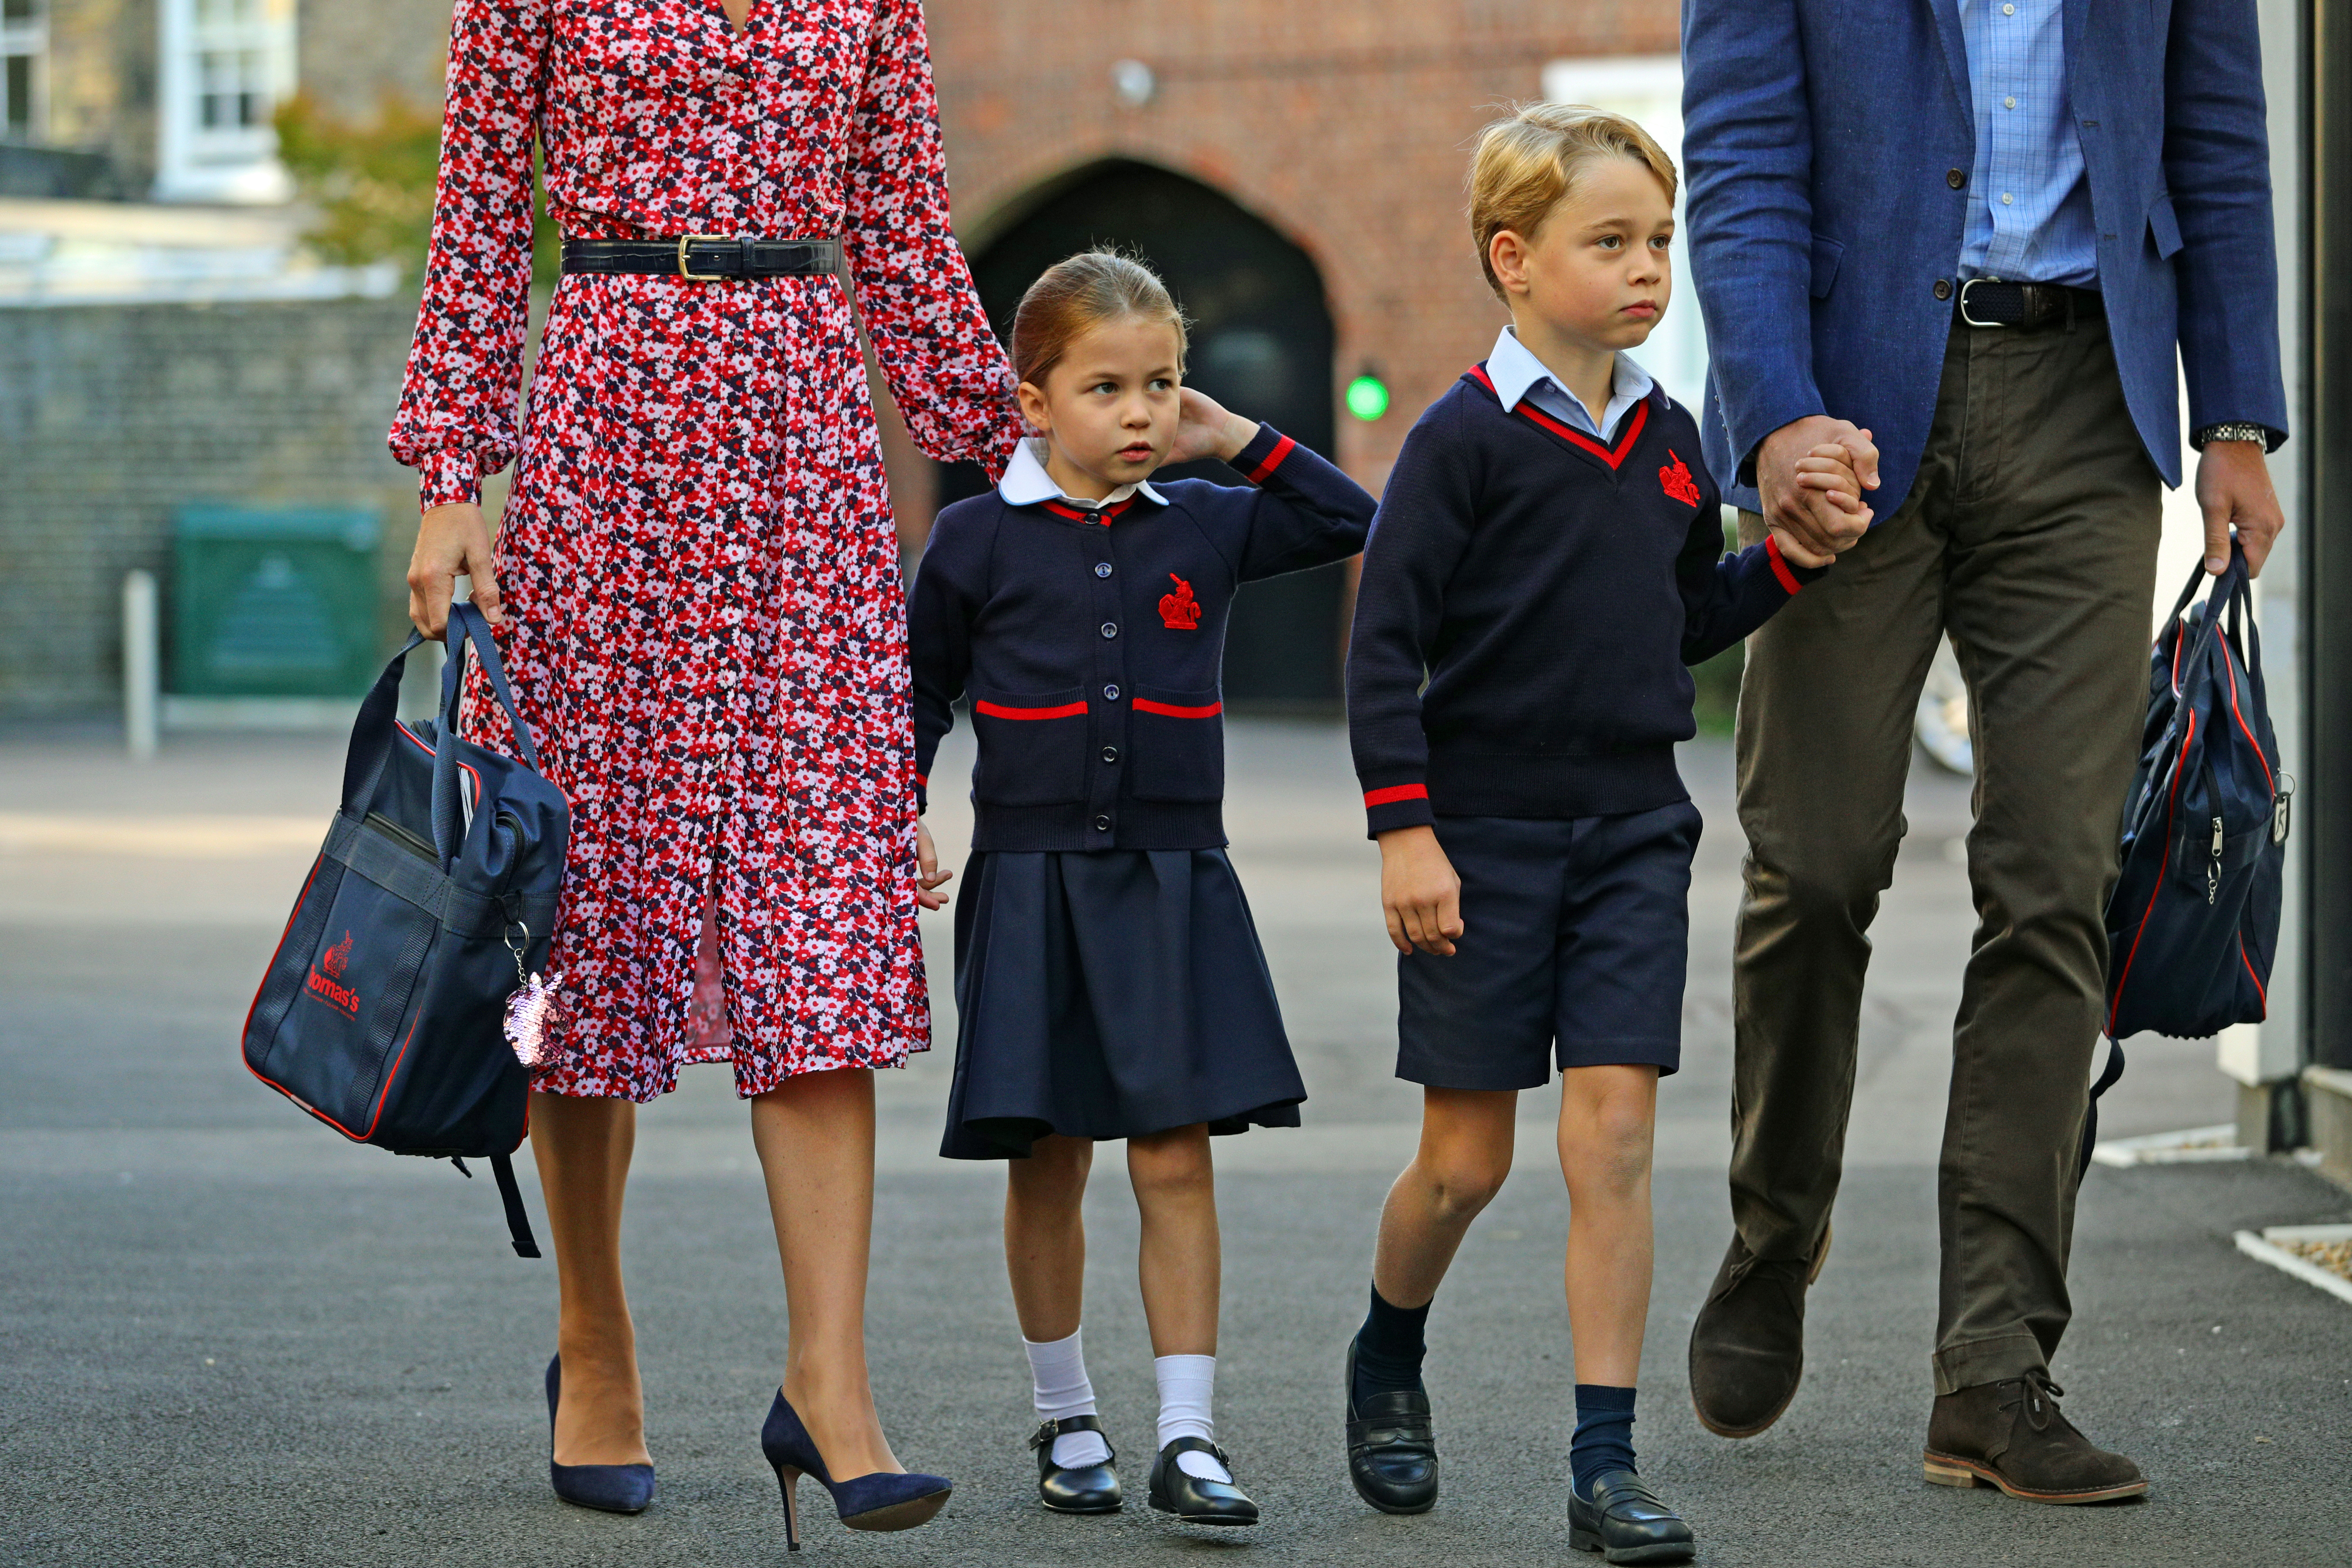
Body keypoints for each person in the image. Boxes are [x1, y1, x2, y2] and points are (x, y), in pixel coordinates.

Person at [387, 0, 1020, 1546]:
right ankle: (596, 1349)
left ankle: (833, 1383)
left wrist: (1027, 463)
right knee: (587, 912)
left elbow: (904, 228)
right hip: (605, 435)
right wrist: (450, 478)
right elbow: (478, 208)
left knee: (820, 903)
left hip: (805, 444)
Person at [1680, 0, 2288, 1505]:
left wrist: (2239, 422)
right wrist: (1771, 419)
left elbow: (2216, 144)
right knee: (1815, 866)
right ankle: (1774, 1230)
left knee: (2056, 885)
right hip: (1850, 404)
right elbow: (1744, 155)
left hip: (2090, 411)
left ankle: (1995, 1370)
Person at [1340, 105, 1864, 1562]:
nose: (1649, 269)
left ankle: (1606, 1464)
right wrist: (1404, 835)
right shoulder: (1456, 443)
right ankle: (1388, 1354)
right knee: (1465, 1164)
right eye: (1612, 242)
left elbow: (1684, 618)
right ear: (1514, 259)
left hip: (1635, 830)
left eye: (1660, 241)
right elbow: (1384, 654)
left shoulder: (1676, 438)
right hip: (1481, 841)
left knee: (1617, 1137)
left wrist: (1789, 567)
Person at [908, 250, 1375, 1528]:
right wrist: (896, 811)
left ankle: (1188, 1436)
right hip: (1030, 879)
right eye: (1106, 386)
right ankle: (1066, 1418)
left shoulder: (1211, 522)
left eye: (1162, 385)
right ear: (1031, 401)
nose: (1139, 412)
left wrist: (1236, 438)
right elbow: (920, 690)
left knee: (1175, 1157)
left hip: (1175, 879)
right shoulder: (974, 536)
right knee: (1049, 1157)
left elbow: (1354, 525)